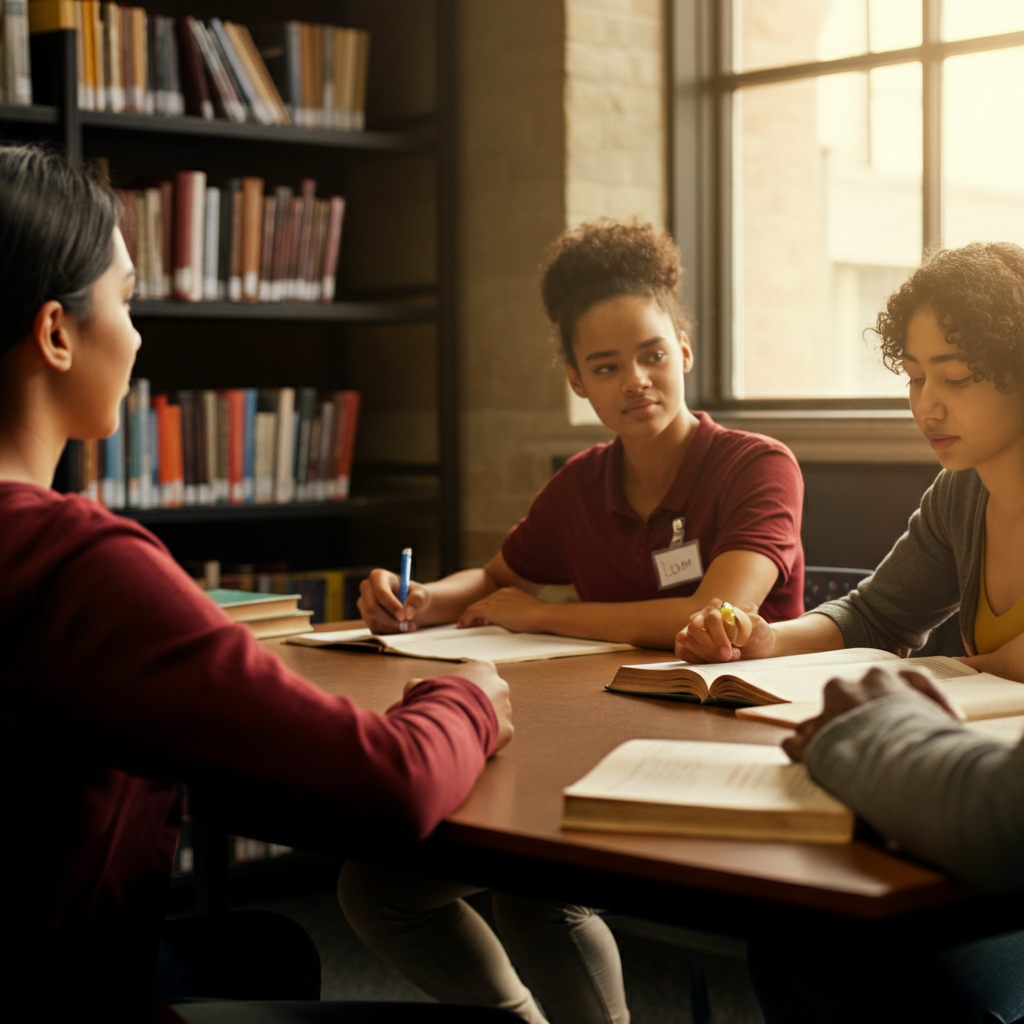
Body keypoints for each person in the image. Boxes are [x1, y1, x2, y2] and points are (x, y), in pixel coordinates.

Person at [0, 145, 518, 1022]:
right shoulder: (71, 562)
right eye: (125, 300)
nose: (136, 335)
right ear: (56, 332)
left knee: (265, 954)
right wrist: (467, 698)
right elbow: (388, 783)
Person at [341, 220, 805, 1024]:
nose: (637, 379)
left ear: (685, 350)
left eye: (653, 353)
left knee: (532, 898)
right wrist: (417, 599)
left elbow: (712, 614)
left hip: (729, 753)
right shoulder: (582, 482)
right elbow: (492, 579)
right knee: (376, 889)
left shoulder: (758, 465)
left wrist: (550, 620)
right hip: (590, 737)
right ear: (576, 381)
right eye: (606, 365)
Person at [676, 241, 1024, 1023]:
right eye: (915, 377)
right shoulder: (958, 496)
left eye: (957, 377)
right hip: (966, 798)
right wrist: (766, 640)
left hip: (1003, 847)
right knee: (802, 936)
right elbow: (874, 615)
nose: (926, 405)